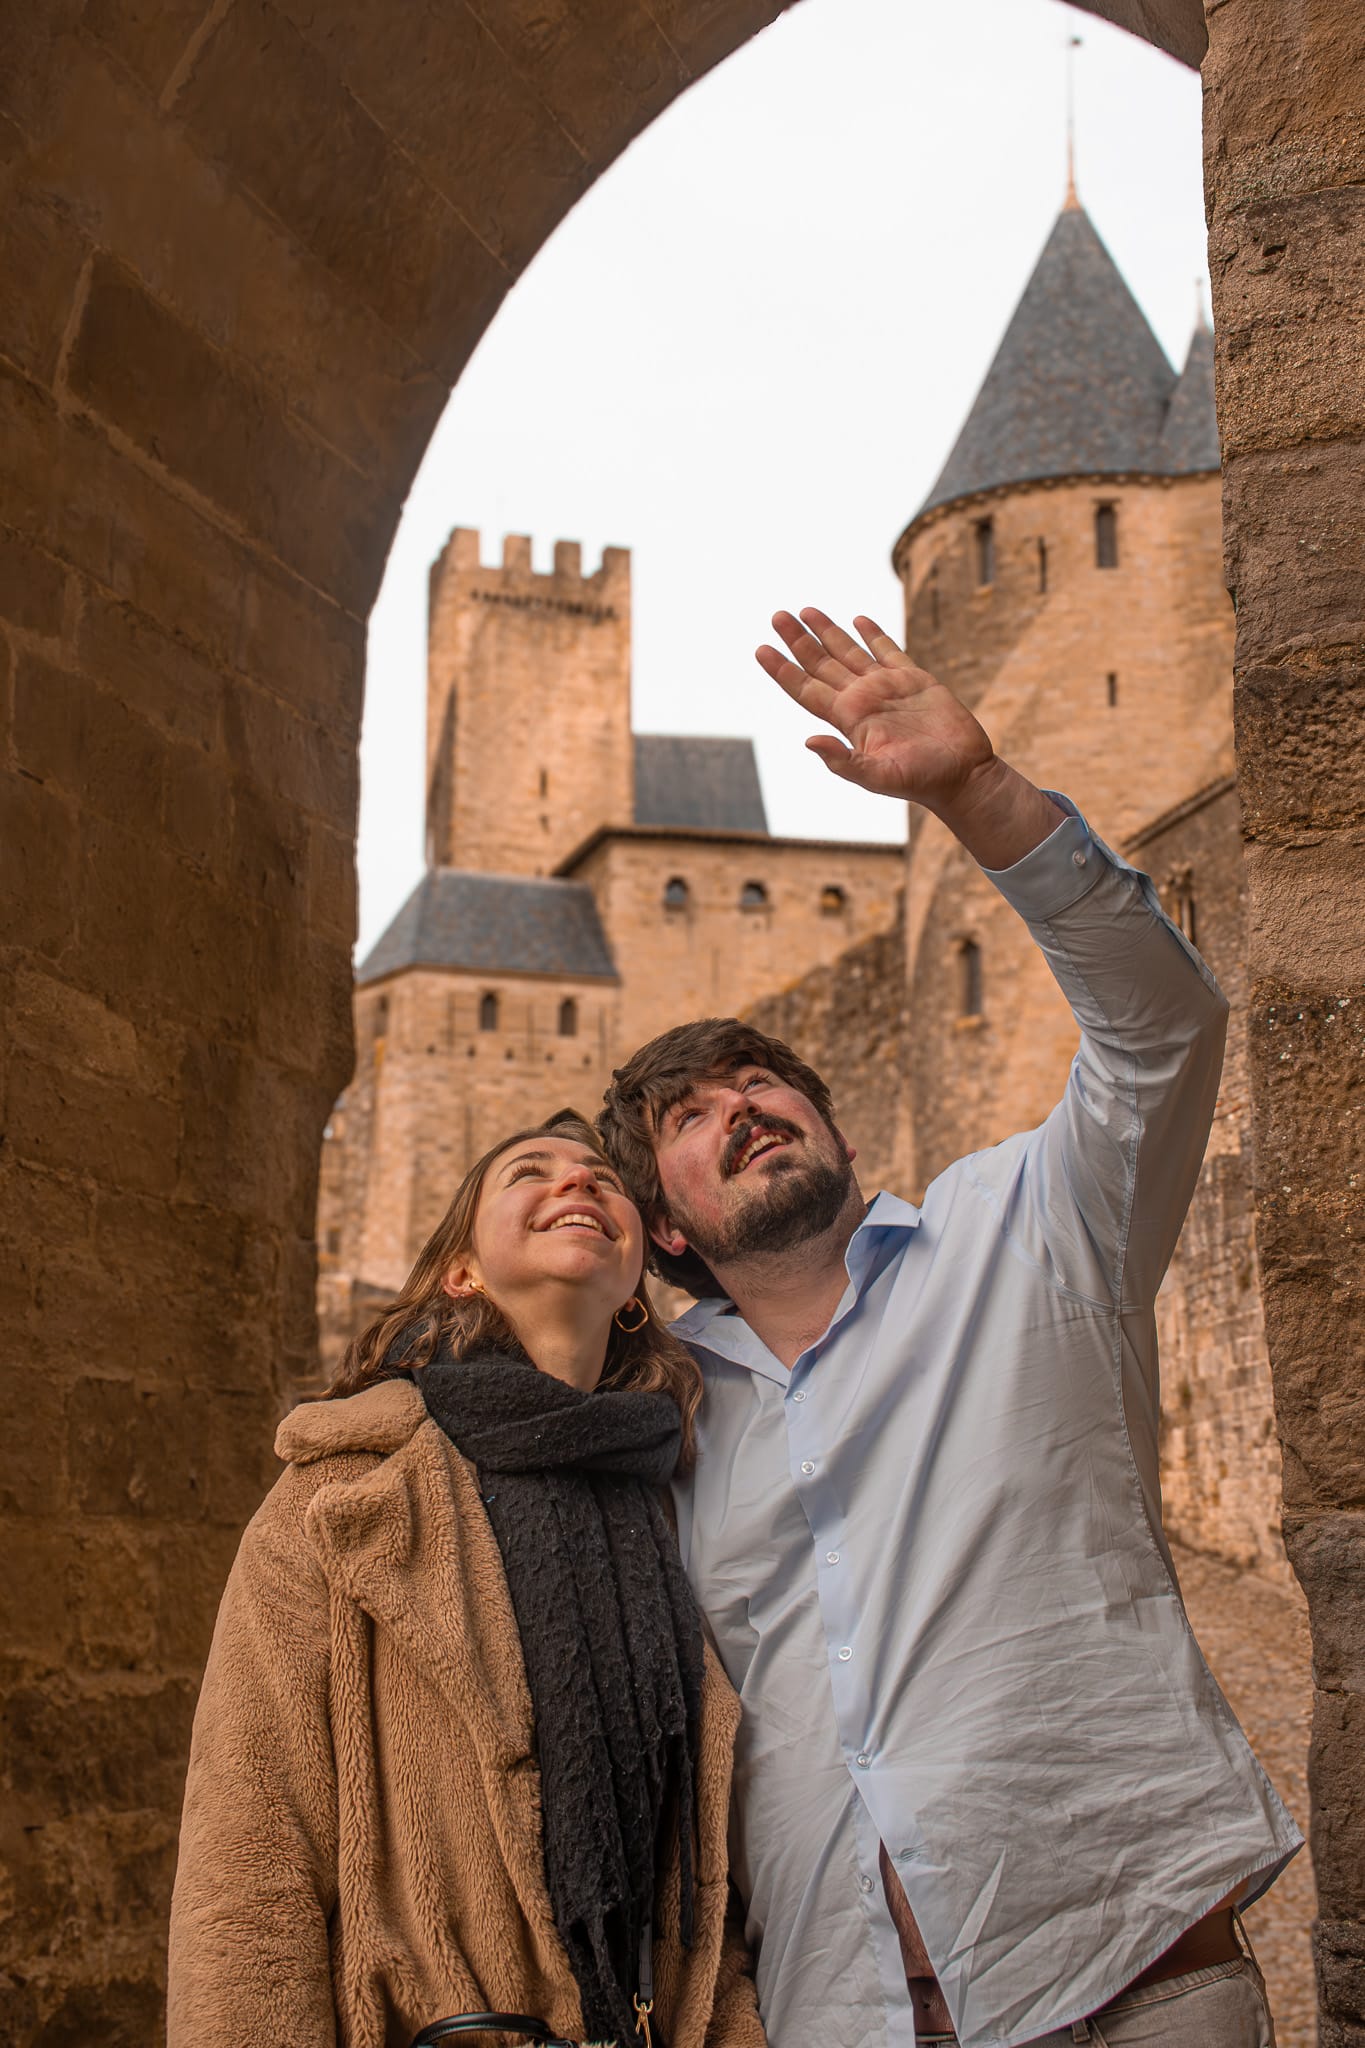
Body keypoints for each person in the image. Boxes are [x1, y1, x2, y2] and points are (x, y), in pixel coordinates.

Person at [596, 610, 1301, 2048]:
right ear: (663, 1231)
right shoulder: (665, 1423)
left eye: (762, 1083)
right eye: (691, 1115)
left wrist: (976, 795)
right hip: (846, 2013)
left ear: (831, 1119)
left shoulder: (1028, 1233)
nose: (743, 1106)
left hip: (1130, 1978)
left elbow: (1163, 1032)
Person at [168, 1111, 766, 2048]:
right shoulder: (347, 1490)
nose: (578, 1183)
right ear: (463, 1272)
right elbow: (250, 1846)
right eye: (531, 1171)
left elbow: (700, 1858)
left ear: (634, 1289)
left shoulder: (676, 1500)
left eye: (602, 1178)